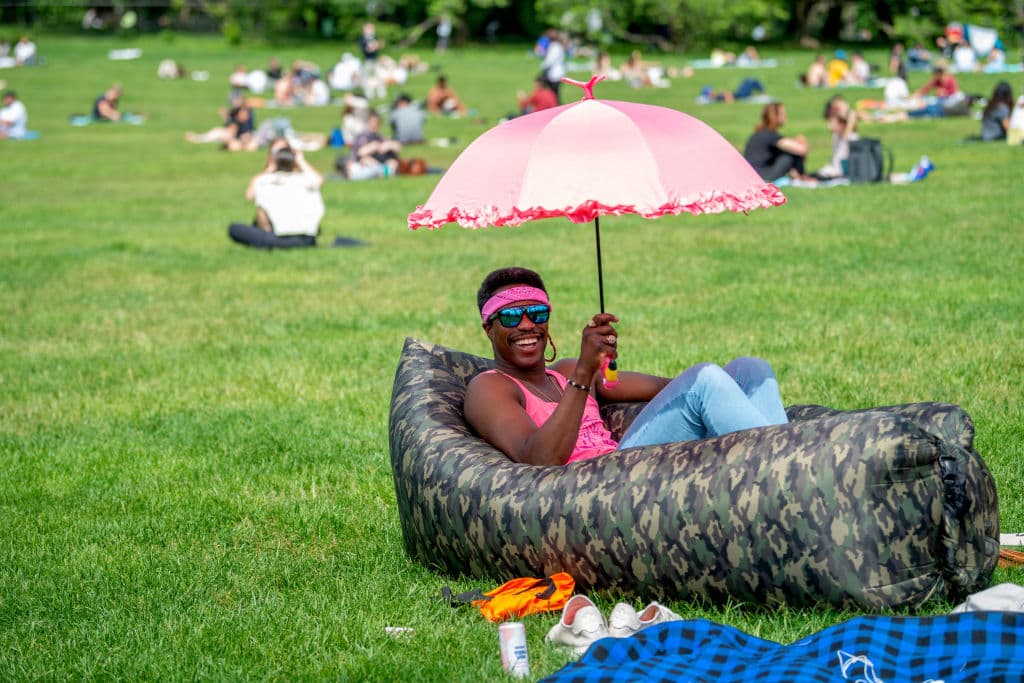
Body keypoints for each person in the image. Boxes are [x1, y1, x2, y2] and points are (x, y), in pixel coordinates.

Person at [463, 267, 788, 466]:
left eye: (537, 314)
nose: (525, 325)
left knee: (749, 369)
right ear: (489, 328)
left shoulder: (564, 371)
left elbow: (672, 389)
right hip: (595, 485)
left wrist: (726, 387)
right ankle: (788, 470)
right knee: (705, 379)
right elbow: (540, 459)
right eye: (509, 317)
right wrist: (583, 374)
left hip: (626, 464)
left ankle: (790, 460)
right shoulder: (490, 387)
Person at [229, 138, 323, 249]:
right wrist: (300, 161)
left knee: (234, 228)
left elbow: (257, 206)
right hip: (308, 239)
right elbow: (318, 180)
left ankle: (269, 241)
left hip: (278, 237)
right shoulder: (306, 179)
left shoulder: (264, 181)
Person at [742, 102, 812, 183]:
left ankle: (799, 176)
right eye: (782, 114)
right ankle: (801, 177)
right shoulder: (769, 135)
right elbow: (802, 150)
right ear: (775, 117)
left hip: (752, 173)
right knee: (789, 156)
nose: (785, 116)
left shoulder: (761, 133)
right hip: (763, 175)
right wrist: (802, 141)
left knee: (787, 153)